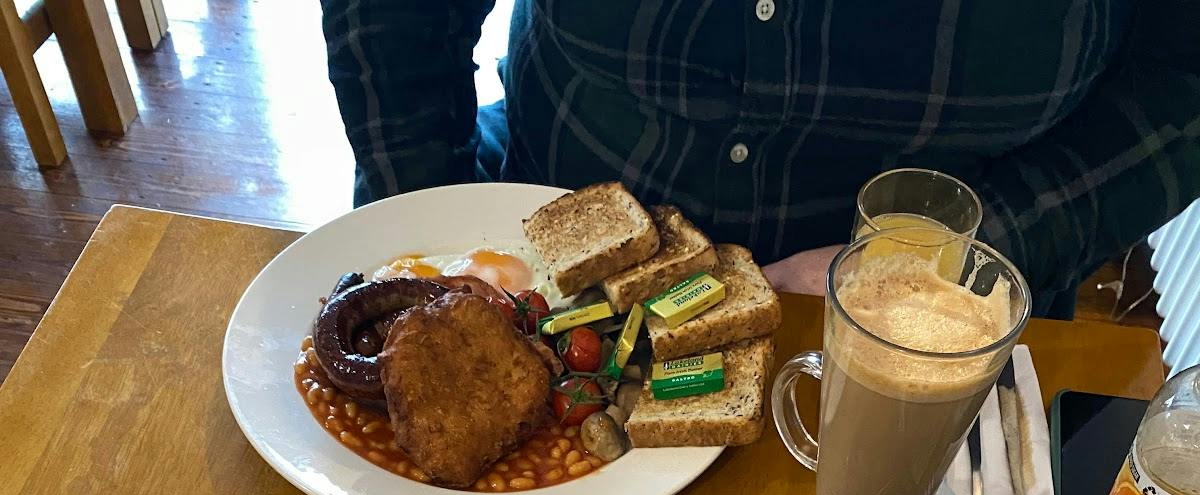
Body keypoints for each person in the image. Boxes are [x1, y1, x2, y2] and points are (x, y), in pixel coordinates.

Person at [320, 0, 1200, 315]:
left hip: (937, 327)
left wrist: (956, 254)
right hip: (538, 256)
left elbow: (1182, 88)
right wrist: (427, 228)